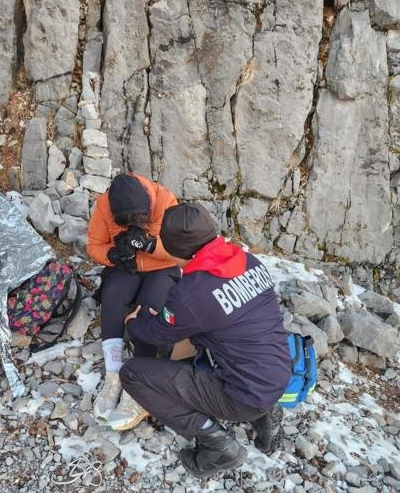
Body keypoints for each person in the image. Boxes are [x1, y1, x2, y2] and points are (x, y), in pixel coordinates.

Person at [120, 202, 291, 477]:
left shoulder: (191, 293)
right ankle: (266, 416)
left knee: (132, 374)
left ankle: (216, 444)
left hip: (243, 397)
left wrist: (134, 323)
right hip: (280, 374)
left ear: (174, 250)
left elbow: (154, 333)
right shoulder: (249, 261)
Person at [86, 172, 180, 430]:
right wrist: (112, 255)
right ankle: (113, 375)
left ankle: (137, 386)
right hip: (126, 266)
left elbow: (180, 248)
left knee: (149, 308)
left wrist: (150, 245)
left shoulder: (165, 201)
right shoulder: (104, 204)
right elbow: (94, 245)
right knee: (113, 297)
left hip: (162, 267)